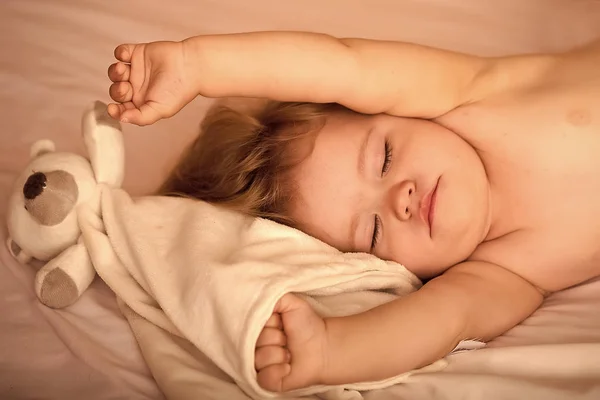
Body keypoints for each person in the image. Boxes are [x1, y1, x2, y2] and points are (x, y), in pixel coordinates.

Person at [106, 31, 600, 392]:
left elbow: (346, 64)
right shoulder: (503, 271)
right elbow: (440, 320)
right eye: (374, 231)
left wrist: (198, 65)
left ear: (395, 107)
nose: (400, 197)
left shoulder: (473, 94)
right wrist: (331, 350)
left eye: (384, 157)